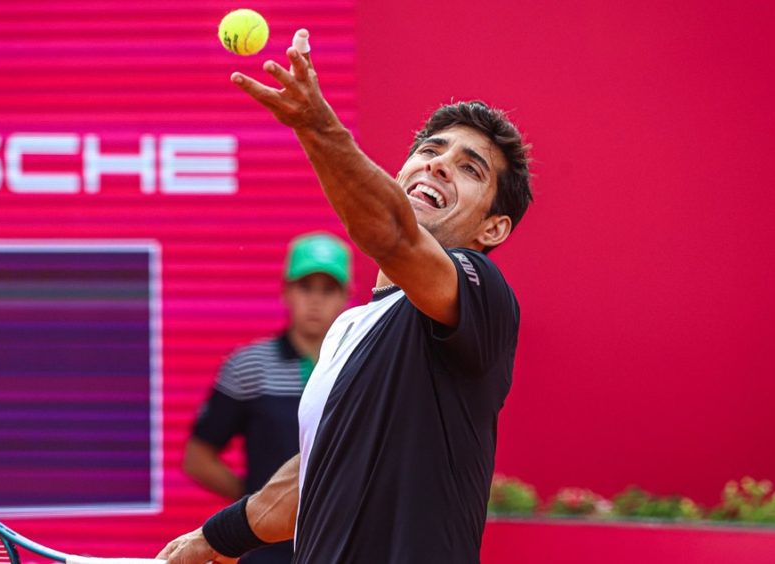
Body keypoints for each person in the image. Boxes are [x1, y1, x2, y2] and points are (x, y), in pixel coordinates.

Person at [159, 28, 532, 564]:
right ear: (402, 171)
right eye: (430, 149)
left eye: (470, 168)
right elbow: (310, 475)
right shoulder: (349, 331)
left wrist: (316, 126)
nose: (439, 163)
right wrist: (212, 541)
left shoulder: (482, 292)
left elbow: (395, 235)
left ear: (492, 230)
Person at [183, 233, 351, 564]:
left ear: (346, 297)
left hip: (344, 545)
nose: (315, 301)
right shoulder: (249, 367)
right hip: (263, 552)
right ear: (286, 291)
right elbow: (197, 457)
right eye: (306, 287)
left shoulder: (363, 369)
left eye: (327, 289)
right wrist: (258, 503)